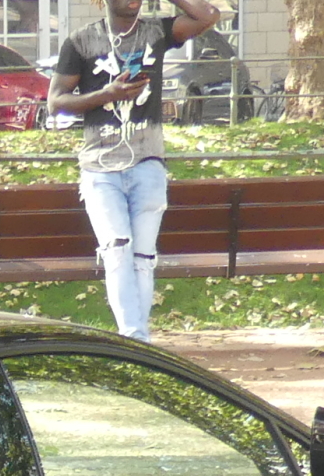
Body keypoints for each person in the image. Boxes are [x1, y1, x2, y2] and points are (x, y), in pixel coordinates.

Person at [48, 0, 221, 341]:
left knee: (142, 256)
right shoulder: (81, 41)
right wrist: (104, 95)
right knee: (116, 249)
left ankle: (137, 341)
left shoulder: (156, 31)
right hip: (100, 168)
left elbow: (208, 16)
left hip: (147, 161)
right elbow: (56, 101)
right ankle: (135, 337)